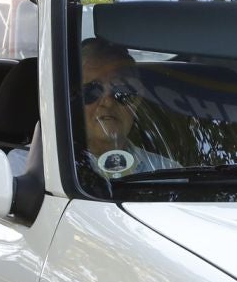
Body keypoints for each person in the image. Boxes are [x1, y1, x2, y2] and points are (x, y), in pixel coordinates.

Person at [63, 37, 179, 180]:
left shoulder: (170, 175)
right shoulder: (35, 174)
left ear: (137, 100)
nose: (108, 102)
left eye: (121, 90)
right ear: (70, 100)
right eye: (91, 90)